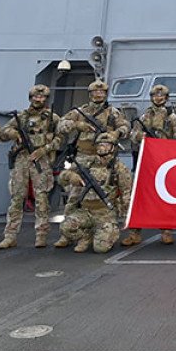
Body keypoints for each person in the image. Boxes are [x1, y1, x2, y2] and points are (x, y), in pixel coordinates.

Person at [57, 80, 129, 248]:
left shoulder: (113, 112)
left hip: (105, 158)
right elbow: (61, 125)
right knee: (75, 195)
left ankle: (103, 226)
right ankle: (67, 234)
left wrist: (116, 133)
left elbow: (126, 127)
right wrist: (77, 125)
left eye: (102, 92)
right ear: (90, 94)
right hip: (83, 157)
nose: (98, 94)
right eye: (95, 92)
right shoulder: (80, 112)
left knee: (104, 191)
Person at [0, 84, 62, 249]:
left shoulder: (53, 118)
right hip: (22, 159)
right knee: (17, 197)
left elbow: (61, 139)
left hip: (41, 160)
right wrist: (13, 133)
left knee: (42, 198)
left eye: (42, 97)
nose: (38, 99)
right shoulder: (21, 117)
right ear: (30, 98)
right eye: (35, 96)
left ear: (46, 99)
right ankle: (10, 235)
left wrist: (44, 149)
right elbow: (2, 133)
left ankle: (41, 234)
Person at [124, 84, 176, 245]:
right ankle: (135, 232)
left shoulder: (172, 118)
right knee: (139, 197)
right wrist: (140, 136)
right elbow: (132, 135)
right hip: (145, 162)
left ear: (166, 98)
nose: (158, 98)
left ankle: (166, 231)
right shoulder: (144, 117)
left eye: (161, 96)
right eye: (155, 95)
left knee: (164, 197)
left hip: (163, 162)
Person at [57, 139, 133, 254]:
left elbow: (126, 194)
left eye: (106, 144)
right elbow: (61, 178)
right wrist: (70, 176)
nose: (102, 147)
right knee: (65, 227)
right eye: (100, 144)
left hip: (105, 214)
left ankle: (108, 232)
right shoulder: (86, 162)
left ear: (113, 148)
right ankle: (85, 236)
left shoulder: (119, 168)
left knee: (100, 248)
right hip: (85, 212)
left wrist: (128, 220)